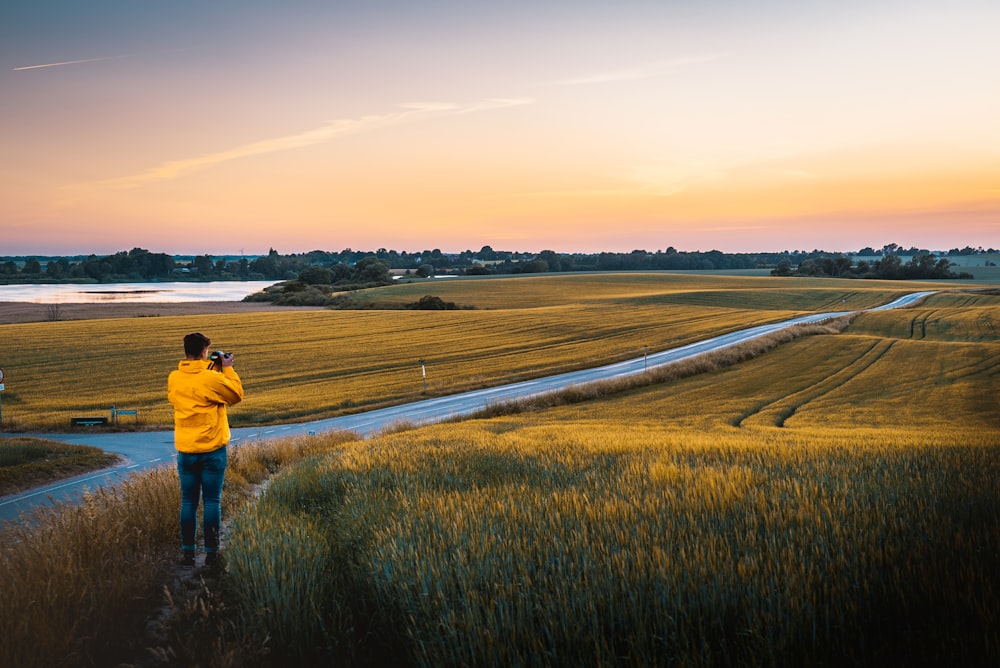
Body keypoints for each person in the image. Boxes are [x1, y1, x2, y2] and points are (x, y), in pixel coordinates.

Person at [167, 332, 244, 568]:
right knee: (212, 501)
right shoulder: (211, 379)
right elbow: (236, 395)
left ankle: (188, 554)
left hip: (187, 450)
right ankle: (211, 553)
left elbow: (194, 387)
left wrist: (212, 369)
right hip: (212, 449)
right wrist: (227, 368)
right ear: (203, 352)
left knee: (188, 502)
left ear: (185, 351)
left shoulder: (174, 378)